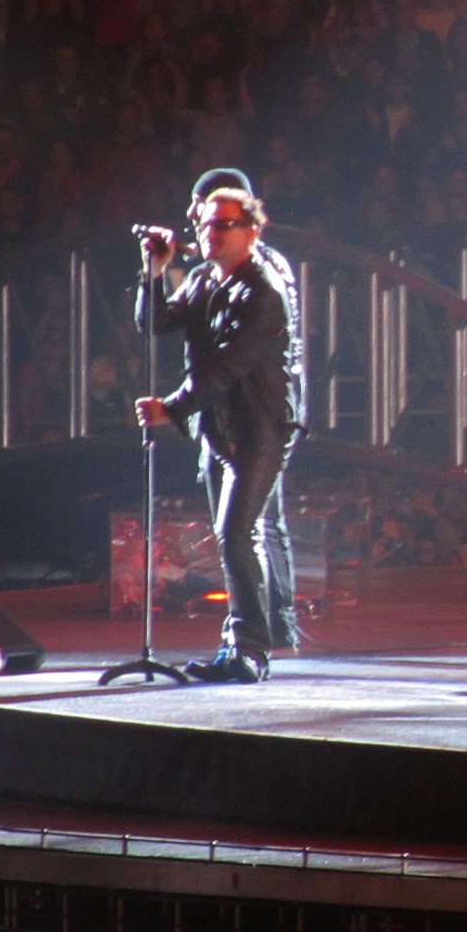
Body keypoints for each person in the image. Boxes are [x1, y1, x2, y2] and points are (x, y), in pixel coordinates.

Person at [134, 187, 299, 683]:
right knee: (235, 537)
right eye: (206, 224)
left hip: (260, 429)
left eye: (223, 225)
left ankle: (251, 650)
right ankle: (241, 643)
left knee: (237, 533)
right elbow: (155, 323)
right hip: (218, 428)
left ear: (252, 231)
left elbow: (226, 367)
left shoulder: (263, 292)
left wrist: (171, 408)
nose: (210, 233)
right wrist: (154, 273)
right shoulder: (204, 279)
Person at [189, 167, 306, 653]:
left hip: (255, 413)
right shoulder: (213, 266)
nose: (198, 219)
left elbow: (246, 348)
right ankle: (267, 623)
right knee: (251, 524)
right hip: (227, 412)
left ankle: (265, 625)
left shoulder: (260, 270)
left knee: (252, 524)